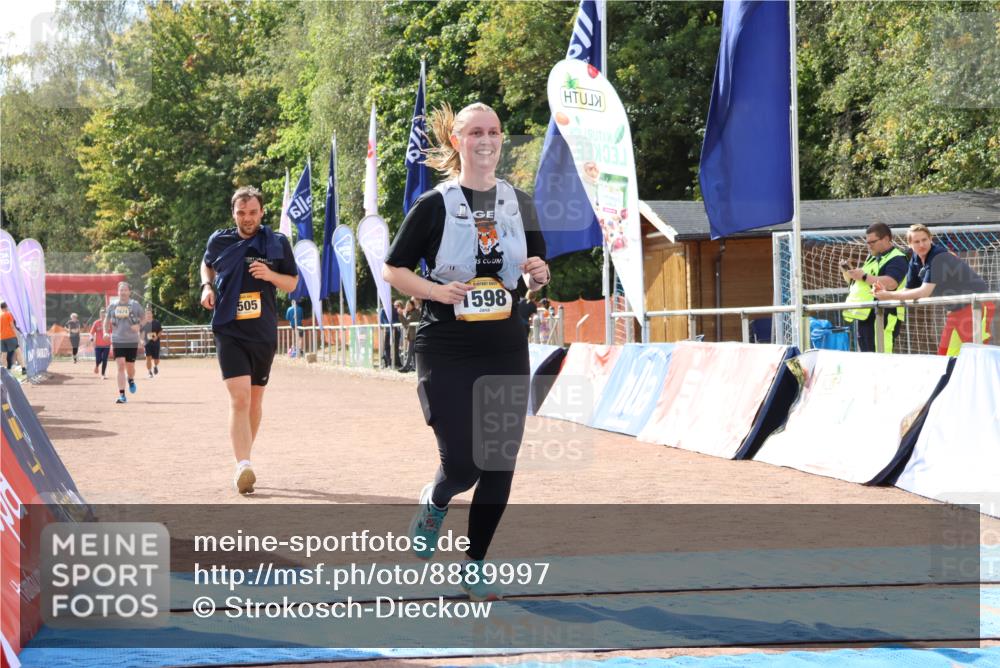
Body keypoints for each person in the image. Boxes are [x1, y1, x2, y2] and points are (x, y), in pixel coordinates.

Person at [382, 102, 550, 601]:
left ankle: (474, 565)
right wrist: (436, 291)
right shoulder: (434, 205)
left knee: (498, 461)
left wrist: (539, 276)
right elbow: (393, 269)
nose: (486, 139)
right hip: (447, 344)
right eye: (475, 132)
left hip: (504, 344)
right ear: (457, 141)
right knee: (462, 464)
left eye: (494, 131)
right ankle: (436, 500)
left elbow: (534, 273)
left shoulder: (520, 203)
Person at [201, 185, 298, 494]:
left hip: (262, 332)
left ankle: (244, 458)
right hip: (229, 328)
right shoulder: (220, 240)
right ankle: (243, 464)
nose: (247, 218)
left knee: (255, 401)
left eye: (253, 212)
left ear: (262, 212)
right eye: (241, 212)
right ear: (233, 213)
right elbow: (207, 263)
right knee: (240, 397)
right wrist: (206, 286)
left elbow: (292, 283)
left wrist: (270, 275)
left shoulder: (277, 243)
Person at [876, 223, 994, 356]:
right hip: (956, 310)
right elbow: (908, 290)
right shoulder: (915, 259)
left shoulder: (939, 257)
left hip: (976, 305)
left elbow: (924, 292)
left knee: (978, 354)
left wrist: (888, 296)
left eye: (924, 240)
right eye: (916, 242)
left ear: (930, 239)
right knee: (945, 356)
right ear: (910, 244)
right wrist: (886, 293)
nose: (922, 244)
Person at [841, 223, 909, 353]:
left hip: (884, 314)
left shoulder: (897, 258)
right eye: (867, 242)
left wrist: (864, 276)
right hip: (866, 316)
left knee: (882, 356)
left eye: (872, 242)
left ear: (886, 239)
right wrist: (849, 272)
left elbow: (891, 283)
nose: (869, 245)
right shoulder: (872, 258)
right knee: (868, 357)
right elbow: (859, 283)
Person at [105, 281, 144, 404]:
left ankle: (131, 379)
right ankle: (122, 395)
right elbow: (106, 320)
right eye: (121, 290)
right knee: (120, 365)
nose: (123, 292)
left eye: (125, 290)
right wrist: (105, 332)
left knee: (130, 367)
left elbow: (143, 319)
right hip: (117, 339)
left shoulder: (135, 305)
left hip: (131, 340)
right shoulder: (112, 306)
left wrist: (139, 326)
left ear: (129, 292)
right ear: (118, 292)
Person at [1, 302, 27, 377]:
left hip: (2, 338)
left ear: (1, 308)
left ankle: (5, 372)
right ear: (6, 307)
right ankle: (23, 369)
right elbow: (12, 326)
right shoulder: (9, 314)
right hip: (10, 336)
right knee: (18, 352)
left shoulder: (0, 316)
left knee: (4, 354)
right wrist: (17, 335)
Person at [140, 305, 163, 378]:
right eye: (147, 313)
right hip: (147, 343)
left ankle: (155, 366)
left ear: (152, 314)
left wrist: (157, 337)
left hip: (156, 343)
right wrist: (141, 340)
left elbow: (160, 331)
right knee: (148, 358)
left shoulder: (156, 322)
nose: (148, 315)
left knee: (157, 359)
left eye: (149, 313)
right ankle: (149, 372)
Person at [90, 308, 111, 379]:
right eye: (101, 314)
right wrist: (91, 339)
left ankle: (103, 374)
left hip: (107, 344)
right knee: (98, 359)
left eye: (104, 314)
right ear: (99, 315)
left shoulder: (109, 323)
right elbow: (91, 333)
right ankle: (97, 365)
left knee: (105, 359)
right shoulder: (96, 323)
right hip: (98, 345)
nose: (103, 315)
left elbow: (113, 332)